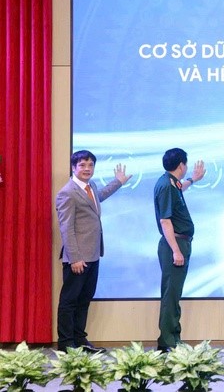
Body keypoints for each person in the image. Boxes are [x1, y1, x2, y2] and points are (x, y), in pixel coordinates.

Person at [56, 150, 131, 352]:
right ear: (73, 167)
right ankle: (66, 344)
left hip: (93, 254)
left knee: (84, 300)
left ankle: (80, 340)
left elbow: (99, 197)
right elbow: (66, 228)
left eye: (90, 165)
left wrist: (118, 182)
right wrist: (75, 258)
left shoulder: (91, 186)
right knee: (69, 301)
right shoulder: (67, 192)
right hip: (78, 258)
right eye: (82, 165)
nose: (87, 169)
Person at [154, 148, 205, 352]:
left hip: (179, 242)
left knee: (174, 293)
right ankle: (167, 341)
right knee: (171, 295)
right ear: (181, 165)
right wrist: (176, 250)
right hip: (174, 244)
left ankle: (173, 337)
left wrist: (193, 179)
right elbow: (165, 221)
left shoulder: (171, 182)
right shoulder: (167, 185)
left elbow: (180, 188)